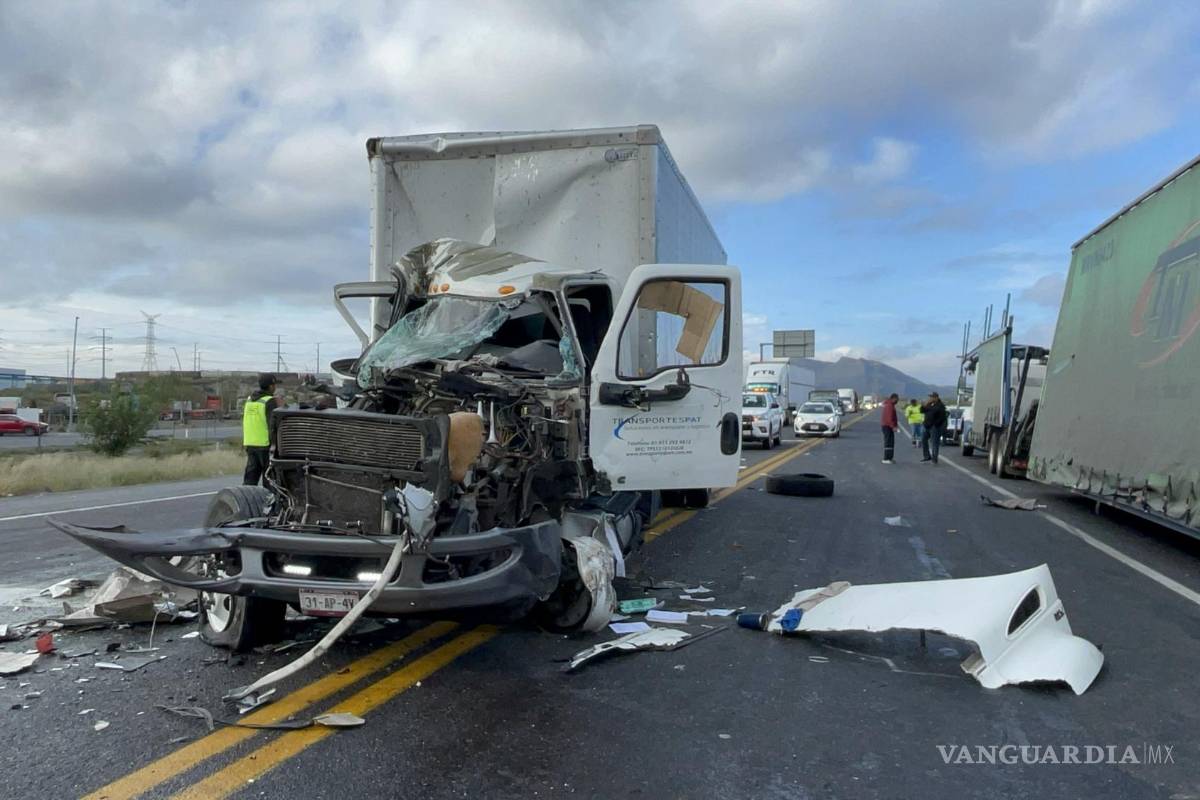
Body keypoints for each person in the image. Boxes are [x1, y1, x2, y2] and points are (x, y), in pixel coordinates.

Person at [243, 373, 279, 486]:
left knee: (250, 479)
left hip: (250, 444)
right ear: (271, 386)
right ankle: (269, 503)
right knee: (269, 481)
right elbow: (273, 426)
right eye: (274, 384)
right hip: (265, 446)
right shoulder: (270, 401)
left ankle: (246, 501)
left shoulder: (250, 400)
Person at [921, 391, 947, 464]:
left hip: (934, 427)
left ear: (936, 398)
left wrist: (936, 424)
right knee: (923, 440)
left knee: (934, 443)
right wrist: (925, 404)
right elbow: (922, 410)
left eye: (932, 397)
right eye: (930, 397)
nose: (930, 398)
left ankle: (934, 458)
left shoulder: (940, 405)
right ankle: (927, 456)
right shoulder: (929, 404)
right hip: (926, 426)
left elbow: (942, 417)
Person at [880, 393, 899, 464]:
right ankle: (886, 458)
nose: (898, 401)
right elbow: (889, 418)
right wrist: (893, 426)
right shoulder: (889, 406)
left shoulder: (891, 405)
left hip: (889, 426)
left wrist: (895, 425)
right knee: (888, 442)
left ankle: (890, 458)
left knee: (891, 442)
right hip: (887, 426)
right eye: (897, 399)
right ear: (893, 398)